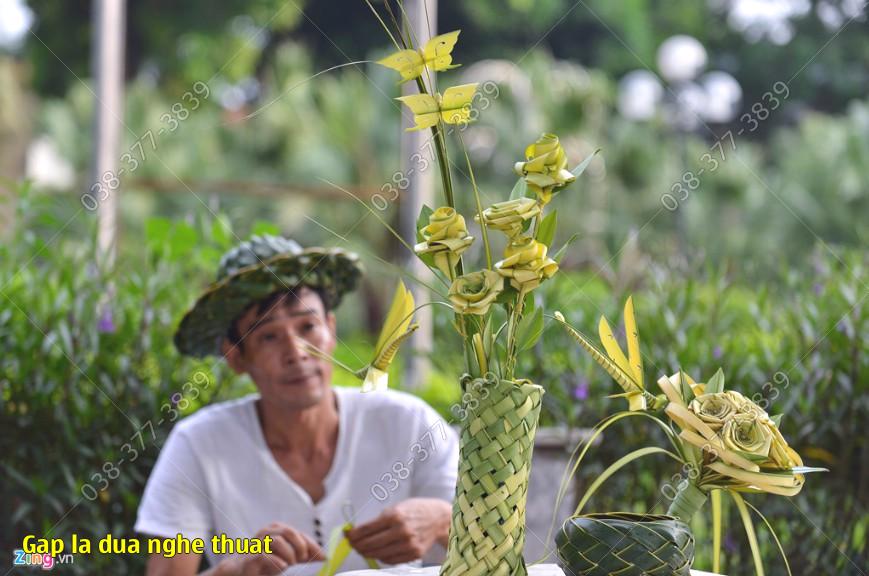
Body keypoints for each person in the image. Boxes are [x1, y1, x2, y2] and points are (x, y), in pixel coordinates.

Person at [136, 235, 459, 576]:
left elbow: (495, 547)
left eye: (308, 326)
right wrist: (233, 570)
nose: (297, 352)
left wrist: (441, 519)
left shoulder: (411, 425)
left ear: (331, 330)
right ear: (235, 357)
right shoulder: (199, 444)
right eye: (268, 336)